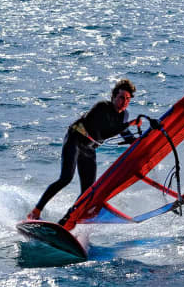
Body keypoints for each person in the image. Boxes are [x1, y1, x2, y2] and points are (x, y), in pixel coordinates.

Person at [26, 79, 142, 221]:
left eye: (128, 99)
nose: (124, 101)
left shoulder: (124, 115)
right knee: (66, 178)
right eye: (121, 98)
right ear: (113, 97)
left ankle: (66, 221)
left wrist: (143, 141)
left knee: (87, 192)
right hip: (75, 139)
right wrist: (129, 124)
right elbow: (104, 132)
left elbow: (126, 135)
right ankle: (35, 212)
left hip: (89, 148)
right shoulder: (102, 107)